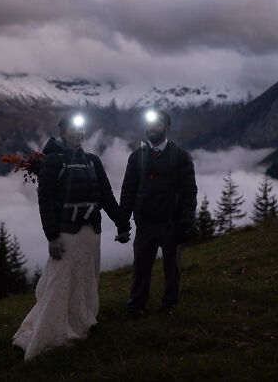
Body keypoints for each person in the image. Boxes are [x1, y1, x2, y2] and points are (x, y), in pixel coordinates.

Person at [12, 113, 131, 360]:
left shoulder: (92, 161)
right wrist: (52, 236)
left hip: (91, 233)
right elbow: (45, 201)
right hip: (67, 234)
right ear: (63, 133)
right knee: (60, 284)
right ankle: (51, 334)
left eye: (81, 129)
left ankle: (79, 324)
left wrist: (122, 224)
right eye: (73, 130)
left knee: (86, 280)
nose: (78, 133)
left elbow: (106, 195)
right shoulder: (52, 162)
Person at [120, 109, 198, 316]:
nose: (151, 128)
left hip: (171, 223)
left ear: (167, 128)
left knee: (172, 269)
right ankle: (136, 307)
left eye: (156, 125)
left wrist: (185, 223)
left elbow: (189, 191)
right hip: (145, 223)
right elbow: (128, 190)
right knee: (140, 268)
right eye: (148, 125)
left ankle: (169, 306)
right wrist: (123, 222)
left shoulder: (180, 156)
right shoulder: (137, 156)